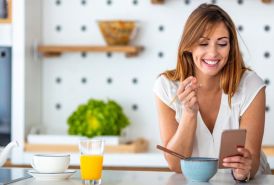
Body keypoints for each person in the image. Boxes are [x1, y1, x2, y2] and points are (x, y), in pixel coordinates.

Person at [153, 3, 271, 182]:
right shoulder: (166, 87)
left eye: (222, 43)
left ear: (230, 46)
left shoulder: (251, 85)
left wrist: (244, 170)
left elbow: (252, 159)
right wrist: (190, 114)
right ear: (188, 46)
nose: (213, 52)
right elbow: (176, 165)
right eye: (203, 43)